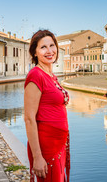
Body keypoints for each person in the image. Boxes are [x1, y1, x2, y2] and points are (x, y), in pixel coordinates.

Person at [24, 30, 70, 182]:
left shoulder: (51, 76)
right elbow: (29, 118)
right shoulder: (36, 75)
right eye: (43, 47)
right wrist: (37, 157)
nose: (50, 51)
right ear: (35, 52)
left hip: (59, 145)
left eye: (52, 45)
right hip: (47, 148)